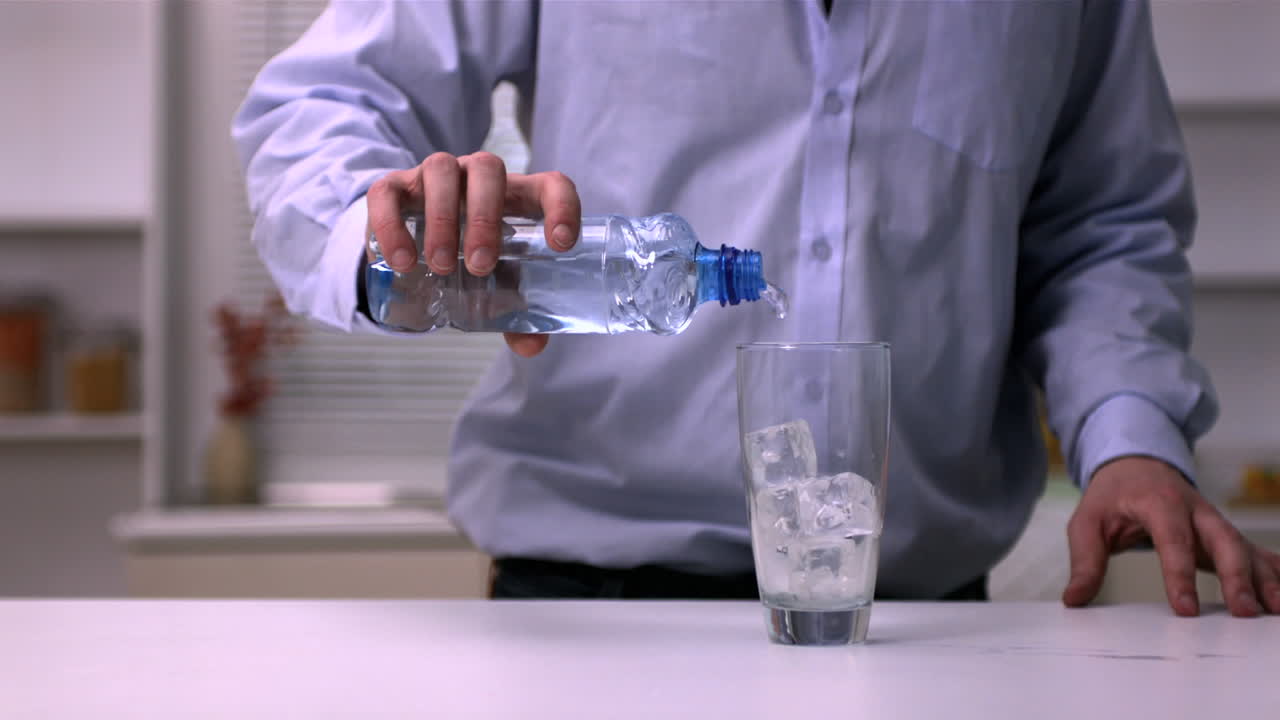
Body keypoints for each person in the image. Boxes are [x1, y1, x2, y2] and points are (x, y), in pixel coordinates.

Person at [233, 0, 1280, 615]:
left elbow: (1099, 219)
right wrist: (390, 230)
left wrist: (1129, 438)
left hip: (918, 626)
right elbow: (318, 106)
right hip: (587, 613)